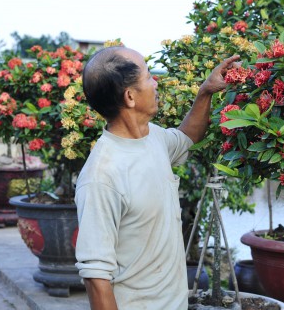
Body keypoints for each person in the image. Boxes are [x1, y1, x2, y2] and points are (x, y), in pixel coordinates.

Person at [75, 45, 239, 310]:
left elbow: (188, 136)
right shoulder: (101, 176)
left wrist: (206, 90)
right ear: (130, 96)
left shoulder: (153, 138)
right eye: (149, 76)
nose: (156, 83)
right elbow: (96, 278)